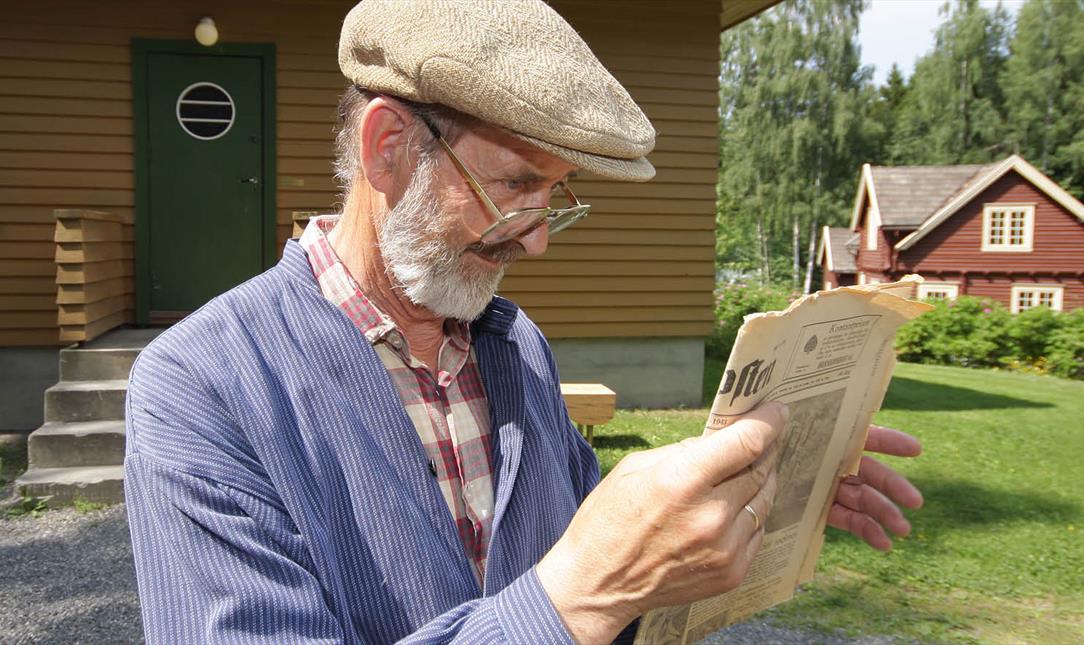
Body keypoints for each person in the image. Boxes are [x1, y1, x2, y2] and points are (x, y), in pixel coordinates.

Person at [123, 1, 923, 643]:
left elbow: (628, 587)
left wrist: (766, 494)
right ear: (387, 147)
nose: (537, 239)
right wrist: (572, 600)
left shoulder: (516, 346)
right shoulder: (200, 389)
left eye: (555, 194)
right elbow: (587, 587)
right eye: (513, 184)